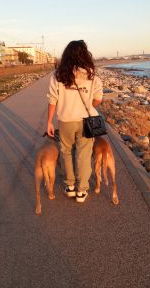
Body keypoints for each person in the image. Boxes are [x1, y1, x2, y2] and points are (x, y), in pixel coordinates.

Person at [47, 40, 103, 203]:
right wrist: (87, 106)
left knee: (66, 153)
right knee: (84, 156)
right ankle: (82, 190)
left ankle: (70, 186)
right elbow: (98, 99)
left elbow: (52, 100)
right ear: (85, 55)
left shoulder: (58, 75)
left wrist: (49, 122)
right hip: (86, 121)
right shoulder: (92, 76)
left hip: (65, 120)